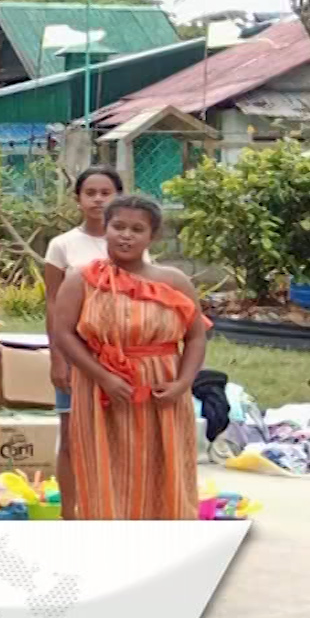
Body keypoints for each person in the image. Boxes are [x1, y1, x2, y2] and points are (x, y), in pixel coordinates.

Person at [51, 195, 207, 520]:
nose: (126, 235)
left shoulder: (174, 281)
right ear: (104, 230)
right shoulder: (80, 280)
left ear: (153, 237)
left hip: (162, 393)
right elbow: (64, 334)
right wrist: (103, 377)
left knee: (162, 466)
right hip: (100, 392)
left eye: (137, 229)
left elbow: (195, 336)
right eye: (118, 226)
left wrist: (183, 383)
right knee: (106, 468)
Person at [43, 166, 139, 519]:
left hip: (122, 359)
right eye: (90, 193)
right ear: (77, 199)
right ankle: (69, 513)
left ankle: (113, 508)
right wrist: (57, 359)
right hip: (75, 354)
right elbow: (53, 304)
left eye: (106, 192)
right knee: (71, 438)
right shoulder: (62, 246)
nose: (98, 199)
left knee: (118, 436)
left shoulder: (132, 243)